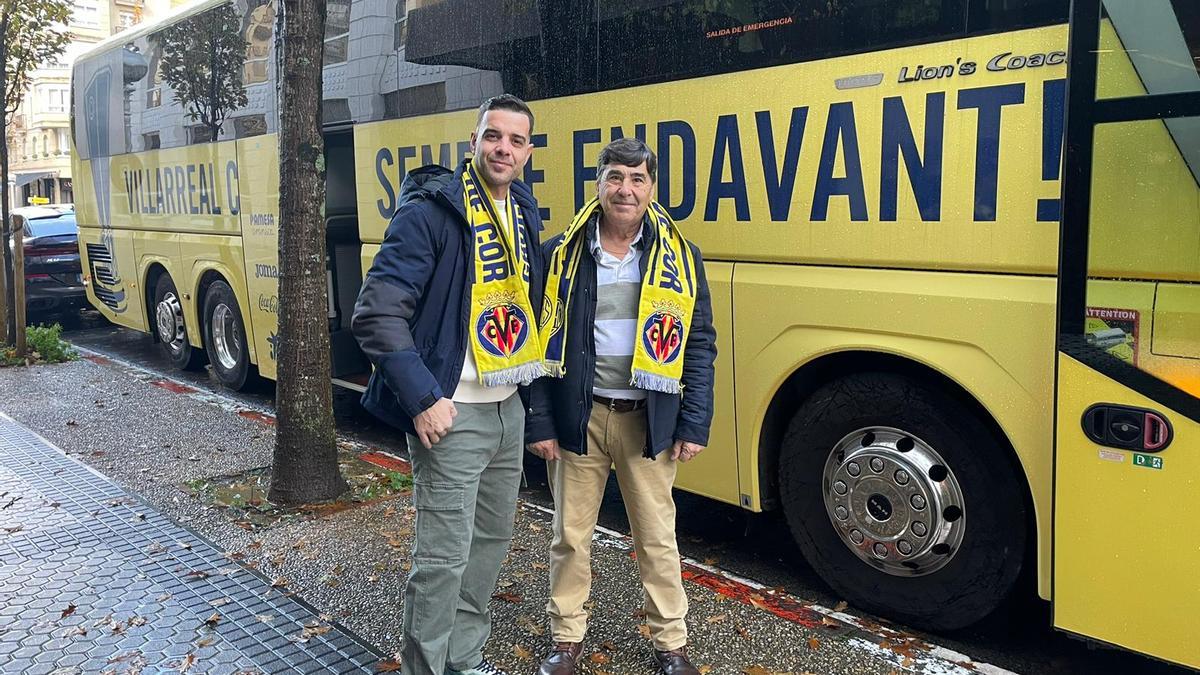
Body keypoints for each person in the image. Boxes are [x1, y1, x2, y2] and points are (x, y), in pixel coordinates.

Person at [352, 94, 546, 675]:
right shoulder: (431, 213)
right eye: (493, 137)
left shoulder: (525, 212)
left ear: (529, 152)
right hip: (452, 412)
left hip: (505, 409)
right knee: (442, 560)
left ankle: (463, 662)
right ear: (473, 142)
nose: (503, 149)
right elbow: (376, 312)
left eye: (516, 140)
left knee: (486, 551)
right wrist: (424, 399)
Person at [526, 137, 717, 675]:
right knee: (569, 535)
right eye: (615, 177)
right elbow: (539, 345)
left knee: (657, 538)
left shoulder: (678, 257)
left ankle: (670, 644)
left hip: (647, 422)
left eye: (636, 179)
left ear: (651, 188)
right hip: (579, 419)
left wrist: (694, 419)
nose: (625, 189)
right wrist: (540, 421)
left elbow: (699, 342)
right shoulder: (561, 254)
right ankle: (565, 640)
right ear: (599, 184)